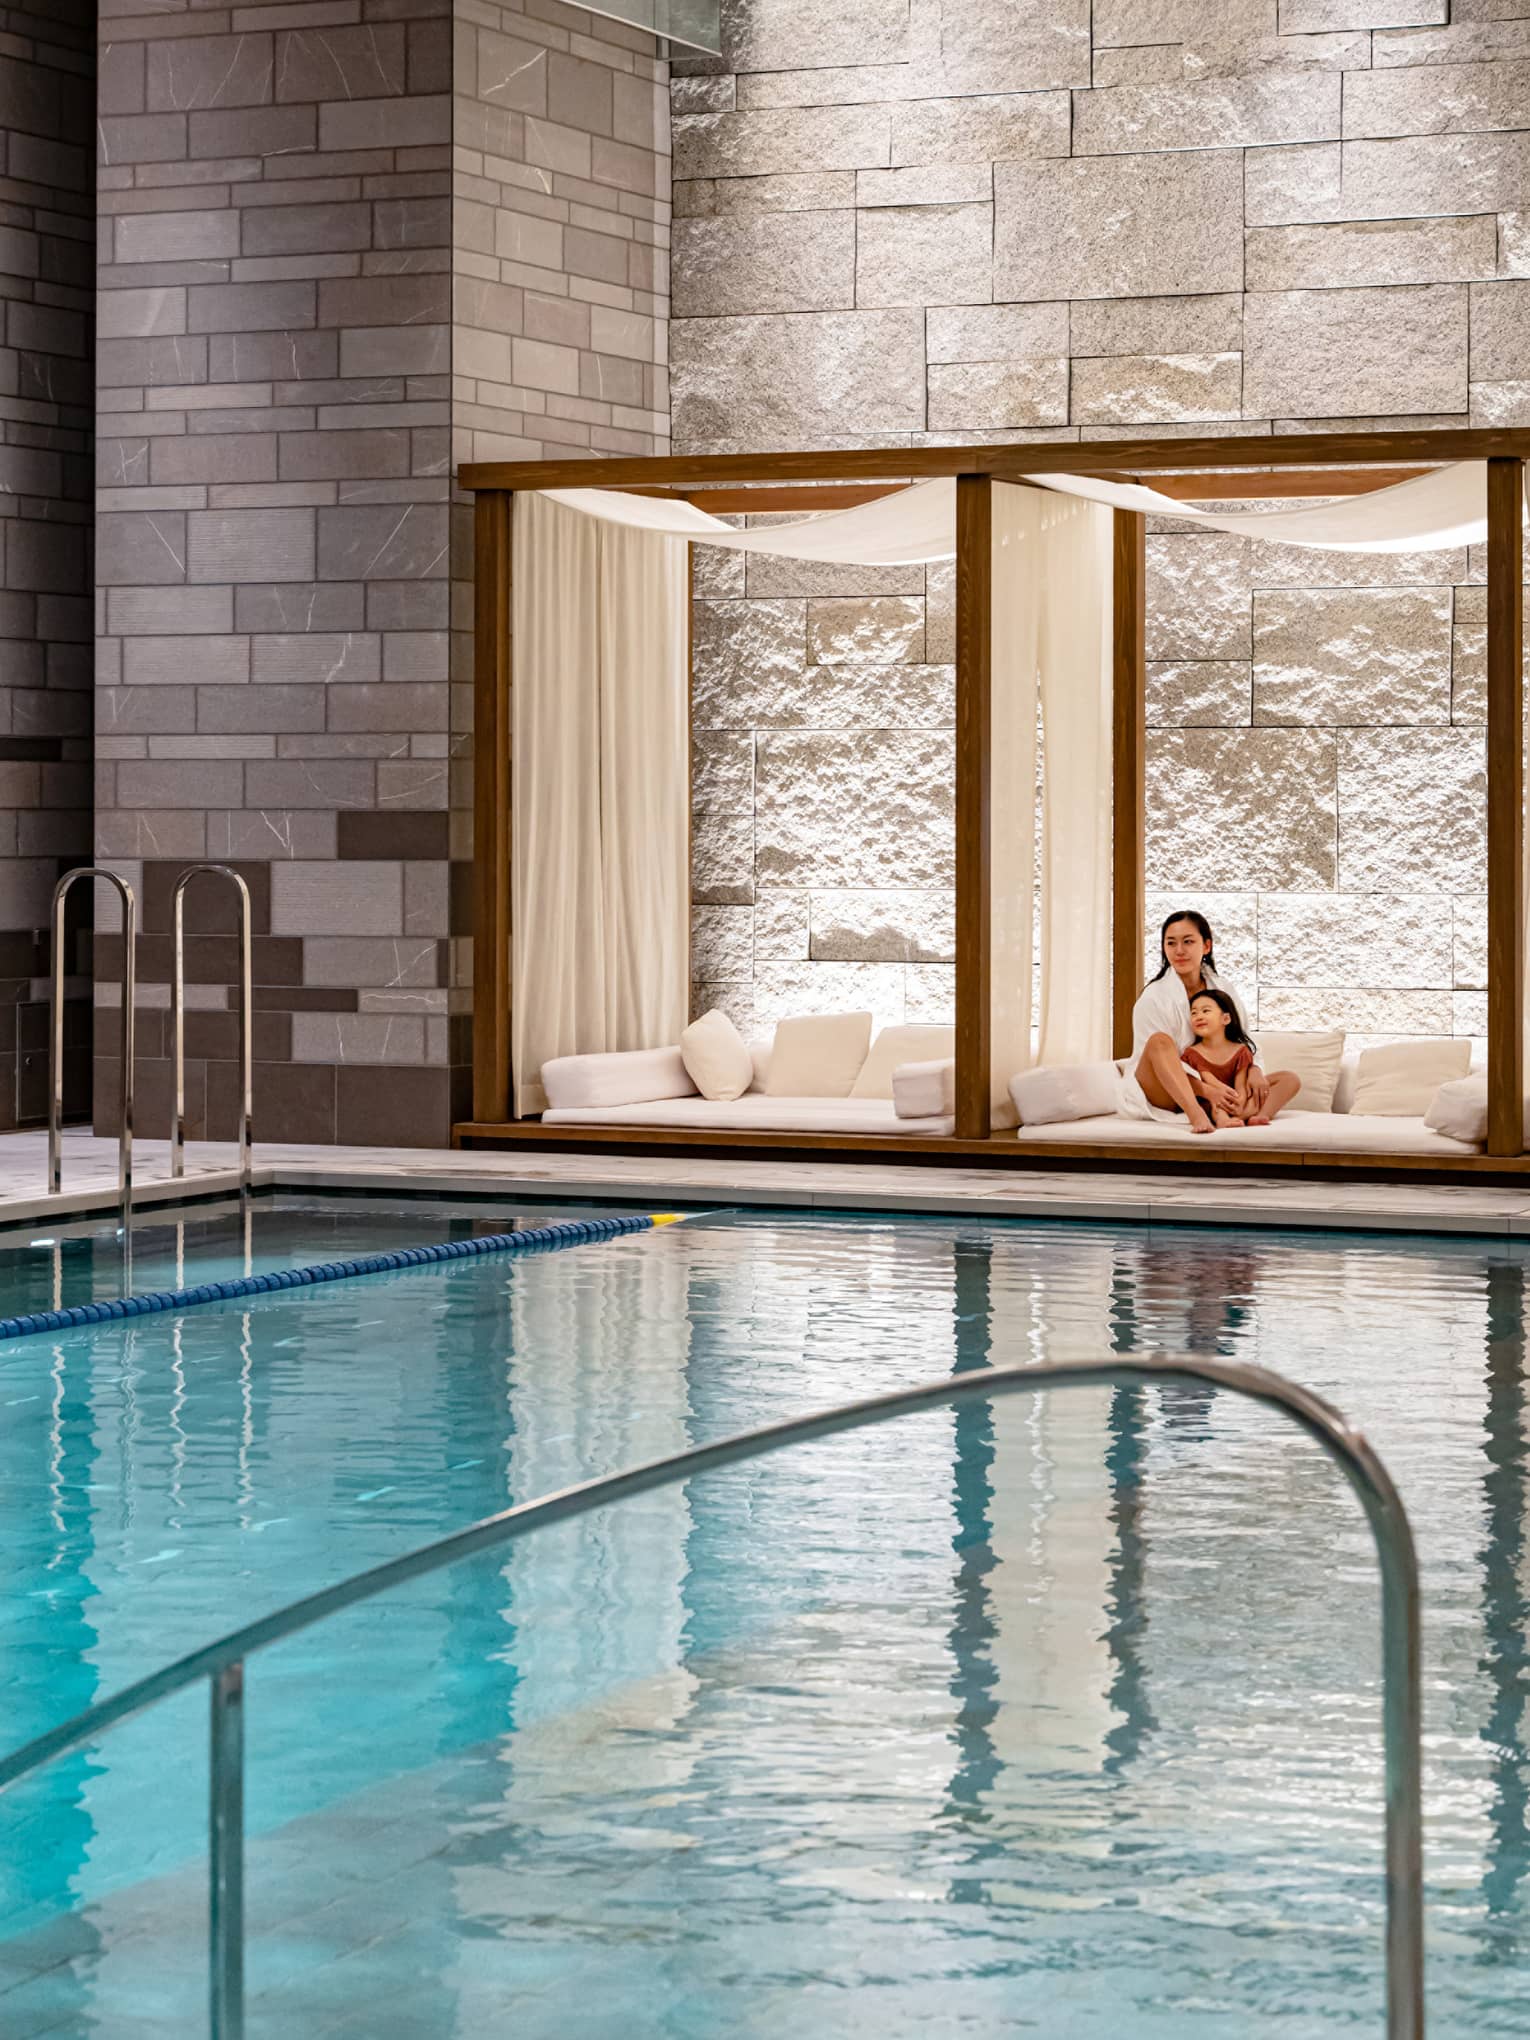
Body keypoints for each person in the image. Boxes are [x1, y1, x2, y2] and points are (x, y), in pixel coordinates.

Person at [1121, 910, 1289, 1136]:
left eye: (1188, 941)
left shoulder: (1223, 988)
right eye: (1171, 943)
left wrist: (1255, 1070)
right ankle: (1196, 1114)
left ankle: (1242, 1113)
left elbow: (1242, 1036)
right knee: (1159, 1042)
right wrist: (1207, 1091)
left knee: (1286, 1079)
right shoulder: (1153, 998)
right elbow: (1153, 1060)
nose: (1179, 950)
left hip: (1217, 1083)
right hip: (1163, 1088)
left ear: (1206, 946)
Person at [1182, 988, 1300, 1128]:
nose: (1198, 1016)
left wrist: (1241, 1100)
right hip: (1212, 1099)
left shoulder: (1241, 1050)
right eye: (1193, 1013)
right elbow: (1211, 1082)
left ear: (1225, 1019)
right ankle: (1224, 1120)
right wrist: (1229, 1099)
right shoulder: (1192, 1053)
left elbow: (1241, 1082)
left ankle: (1259, 1115)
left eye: (1206, 1011)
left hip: (1238, 1098)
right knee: (1216, 1102)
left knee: (1290, 1079)